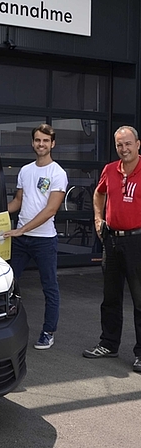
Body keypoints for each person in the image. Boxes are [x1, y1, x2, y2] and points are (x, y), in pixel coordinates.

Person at [2, 124, 68, 350]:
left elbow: (51, 210)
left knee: (50, 287)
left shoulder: (57, 173)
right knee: (9, 285)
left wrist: (22, 229)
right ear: (32, 143)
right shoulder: (25, 170)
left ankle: (48, 332)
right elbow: (17, 203)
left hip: (44, 240)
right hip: (21, 241)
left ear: (53, 144)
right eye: (38, 140)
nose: (41, 144)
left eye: (45, 141)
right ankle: (5, 328)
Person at [83, 126, 141, 372]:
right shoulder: (110, 169)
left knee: (140, 300)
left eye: (128, 143)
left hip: (137, 241)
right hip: (112, 240)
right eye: (119, 145)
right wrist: (98, 219)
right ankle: (108, 344)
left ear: (138, 144)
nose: (124, 149)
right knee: (110, 296)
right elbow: (98, 194)